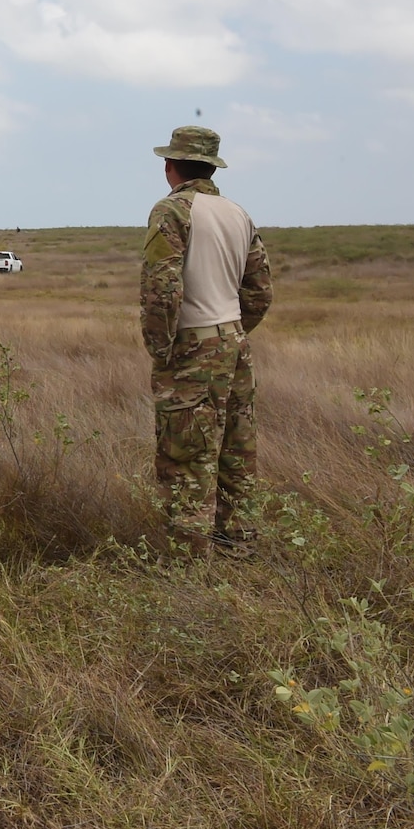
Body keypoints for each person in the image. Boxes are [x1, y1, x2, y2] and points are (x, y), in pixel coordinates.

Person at [140, 126, 272, 557]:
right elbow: (260, 292)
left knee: (185, 459)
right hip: (235, 344)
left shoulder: (172, 210)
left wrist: (164, 351)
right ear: (212, 167)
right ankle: (238, 549)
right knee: (237, 453)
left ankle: (187, 566)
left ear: (169, 166)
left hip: (192, 348)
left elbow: (162, 289)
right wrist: (230, 333)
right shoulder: (238, 213)